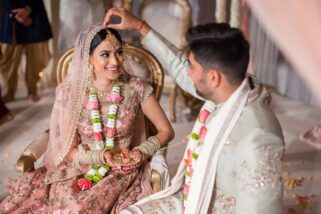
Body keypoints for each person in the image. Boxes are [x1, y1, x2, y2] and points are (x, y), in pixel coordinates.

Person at [103, 8, 284, 214]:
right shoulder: (233, 89)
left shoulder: (257, 138)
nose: (187, 71)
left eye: (192, 66)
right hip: (192, 199)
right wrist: (140, 27)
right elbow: (178, 68)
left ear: (214, 77)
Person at [0, 24, 174, 213]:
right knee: (71, 206)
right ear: (88, 58)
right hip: (78, 168)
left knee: (82, 207)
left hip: (121, 171)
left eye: (119, 52)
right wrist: (99, 156)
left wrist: (141, 151)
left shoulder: (136, 87)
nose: (115, 61)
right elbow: (68, 150)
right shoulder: (71, 93)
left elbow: (166, 130)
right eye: (105, 54)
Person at [0, 0, 52, 102]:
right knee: (7, 58)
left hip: (35, 14)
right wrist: (18, 13)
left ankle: (32, 90)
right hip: (11, 16)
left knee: (37, 56)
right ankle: (9, 91)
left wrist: (28, 10)